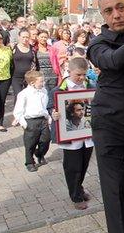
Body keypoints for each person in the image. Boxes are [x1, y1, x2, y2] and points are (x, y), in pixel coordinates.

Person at [87, 0, 124, 232]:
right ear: (103, 15)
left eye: (121, 7)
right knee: (116, 192)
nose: (117, 15)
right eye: (109, 11)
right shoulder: (98, 44)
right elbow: (112, 61)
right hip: (110, 127)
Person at [48, 57, 96, 210]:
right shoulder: (58, 90)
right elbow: (50, 106)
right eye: (78, 75)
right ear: (69, 72)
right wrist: (53, 113)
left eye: (84, 74)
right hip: (70, 137)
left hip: (88, 135)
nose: (82, 78)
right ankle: (75, 196)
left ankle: (79, 188)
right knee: (72, 167)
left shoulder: (91, 85)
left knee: (84, 165)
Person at [13, 70, 51, 172]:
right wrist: (24, 123)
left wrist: (48, 117)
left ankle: (40, 153)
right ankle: (29, 162)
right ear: (32, 83)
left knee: (46, 140)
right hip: (30, 121)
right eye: (41, 82)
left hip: (42, 119)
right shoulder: (24, 94)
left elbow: (44, 106)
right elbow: (18, 110)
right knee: (30, 143)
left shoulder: (44, 91)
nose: (43, 84)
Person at [11, 28, 39, 105]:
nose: (25, 39)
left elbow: (36, 63)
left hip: (29, 77)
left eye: (27, 37)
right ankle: (17, 115)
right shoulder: (13, 48)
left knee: (30, 96)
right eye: (23, 37)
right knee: (18, 96)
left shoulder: (32, 49)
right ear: (19, 37)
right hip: (16, 77)